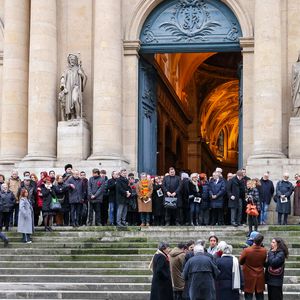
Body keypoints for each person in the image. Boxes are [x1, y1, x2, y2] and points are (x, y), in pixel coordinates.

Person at [60, 53, 87, 120]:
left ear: (76, 60)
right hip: (68, 88)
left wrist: (82, 74)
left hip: (76, 87)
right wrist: (63, 86)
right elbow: (63, 78)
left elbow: (85, 78)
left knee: (75, 99)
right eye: (70, 59)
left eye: (73, 59)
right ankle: (72, 117)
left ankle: (78, 116)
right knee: (69, 102)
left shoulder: (79, 69)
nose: (72, 60)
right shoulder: (66, 70)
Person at [239, 233, 267, 300]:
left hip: (248, 276)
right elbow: (264, 262)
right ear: (261, 241)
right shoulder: (264, 250)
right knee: (260, 295)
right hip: (260, 276)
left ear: (253, 240)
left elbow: (240, 262)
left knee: (248, 295)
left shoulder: (247, 250)